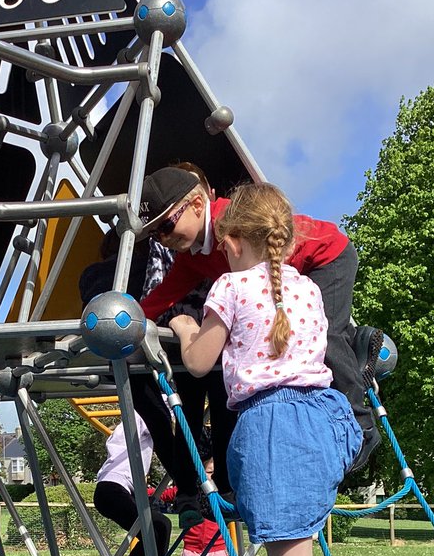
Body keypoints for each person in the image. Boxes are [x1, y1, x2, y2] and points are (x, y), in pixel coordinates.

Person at [169, 182, 362, 556]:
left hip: (275, 426)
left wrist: (185, 326)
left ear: (231, 241)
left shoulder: (229, 287)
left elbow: (201, 362)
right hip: (325, 418)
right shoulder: (303, 285)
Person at [138, 167, 381, 491]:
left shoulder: (237, 222)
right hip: (291, 277)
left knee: (324, 341)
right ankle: (352, 353)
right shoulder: (193, 257)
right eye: (156, 235)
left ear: (198, 205)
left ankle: (361, 426)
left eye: (166, 226)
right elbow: (160, 297)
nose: (164, 239)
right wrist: (123, 322)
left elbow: (279, 264)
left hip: (325, 259)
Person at [93, 414, 171, 556]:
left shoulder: (128, 432)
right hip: (112, 490)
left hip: (117, 490)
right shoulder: (136, 419)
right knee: (158, 526)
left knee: (157, 528)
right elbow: (158, 411)